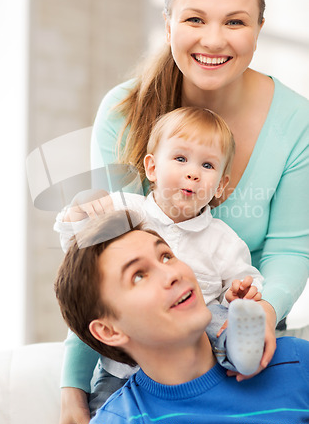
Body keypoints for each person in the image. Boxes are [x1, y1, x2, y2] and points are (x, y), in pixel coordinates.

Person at [58, 0, 309, 424]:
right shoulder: (123, 113)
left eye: (235, 22)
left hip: (243, 340)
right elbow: (99, 257)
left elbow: (290, 248)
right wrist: (73, 383)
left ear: (259, 27)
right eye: (195, 18)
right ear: (168, 23)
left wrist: (262, 310)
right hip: (148, 362)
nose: (213, 40)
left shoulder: (297, 122)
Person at [54, 212, 309, 424]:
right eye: (139, 275)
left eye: (166, 257)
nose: (173, 273)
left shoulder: (296, 362)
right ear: (109, 331)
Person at [56, 107, 267, 375]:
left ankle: (240, 354)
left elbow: (247, 279)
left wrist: (239, 295)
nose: (193, 173)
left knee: (216, 317)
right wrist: (79, 208)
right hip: (128, 359)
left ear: (221, 186)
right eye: (181, 158)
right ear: (152, 168)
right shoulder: (126, 208)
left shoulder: (224, 240)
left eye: (207, 165)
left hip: (192, 351)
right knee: (106, 395)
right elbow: (77, 248)